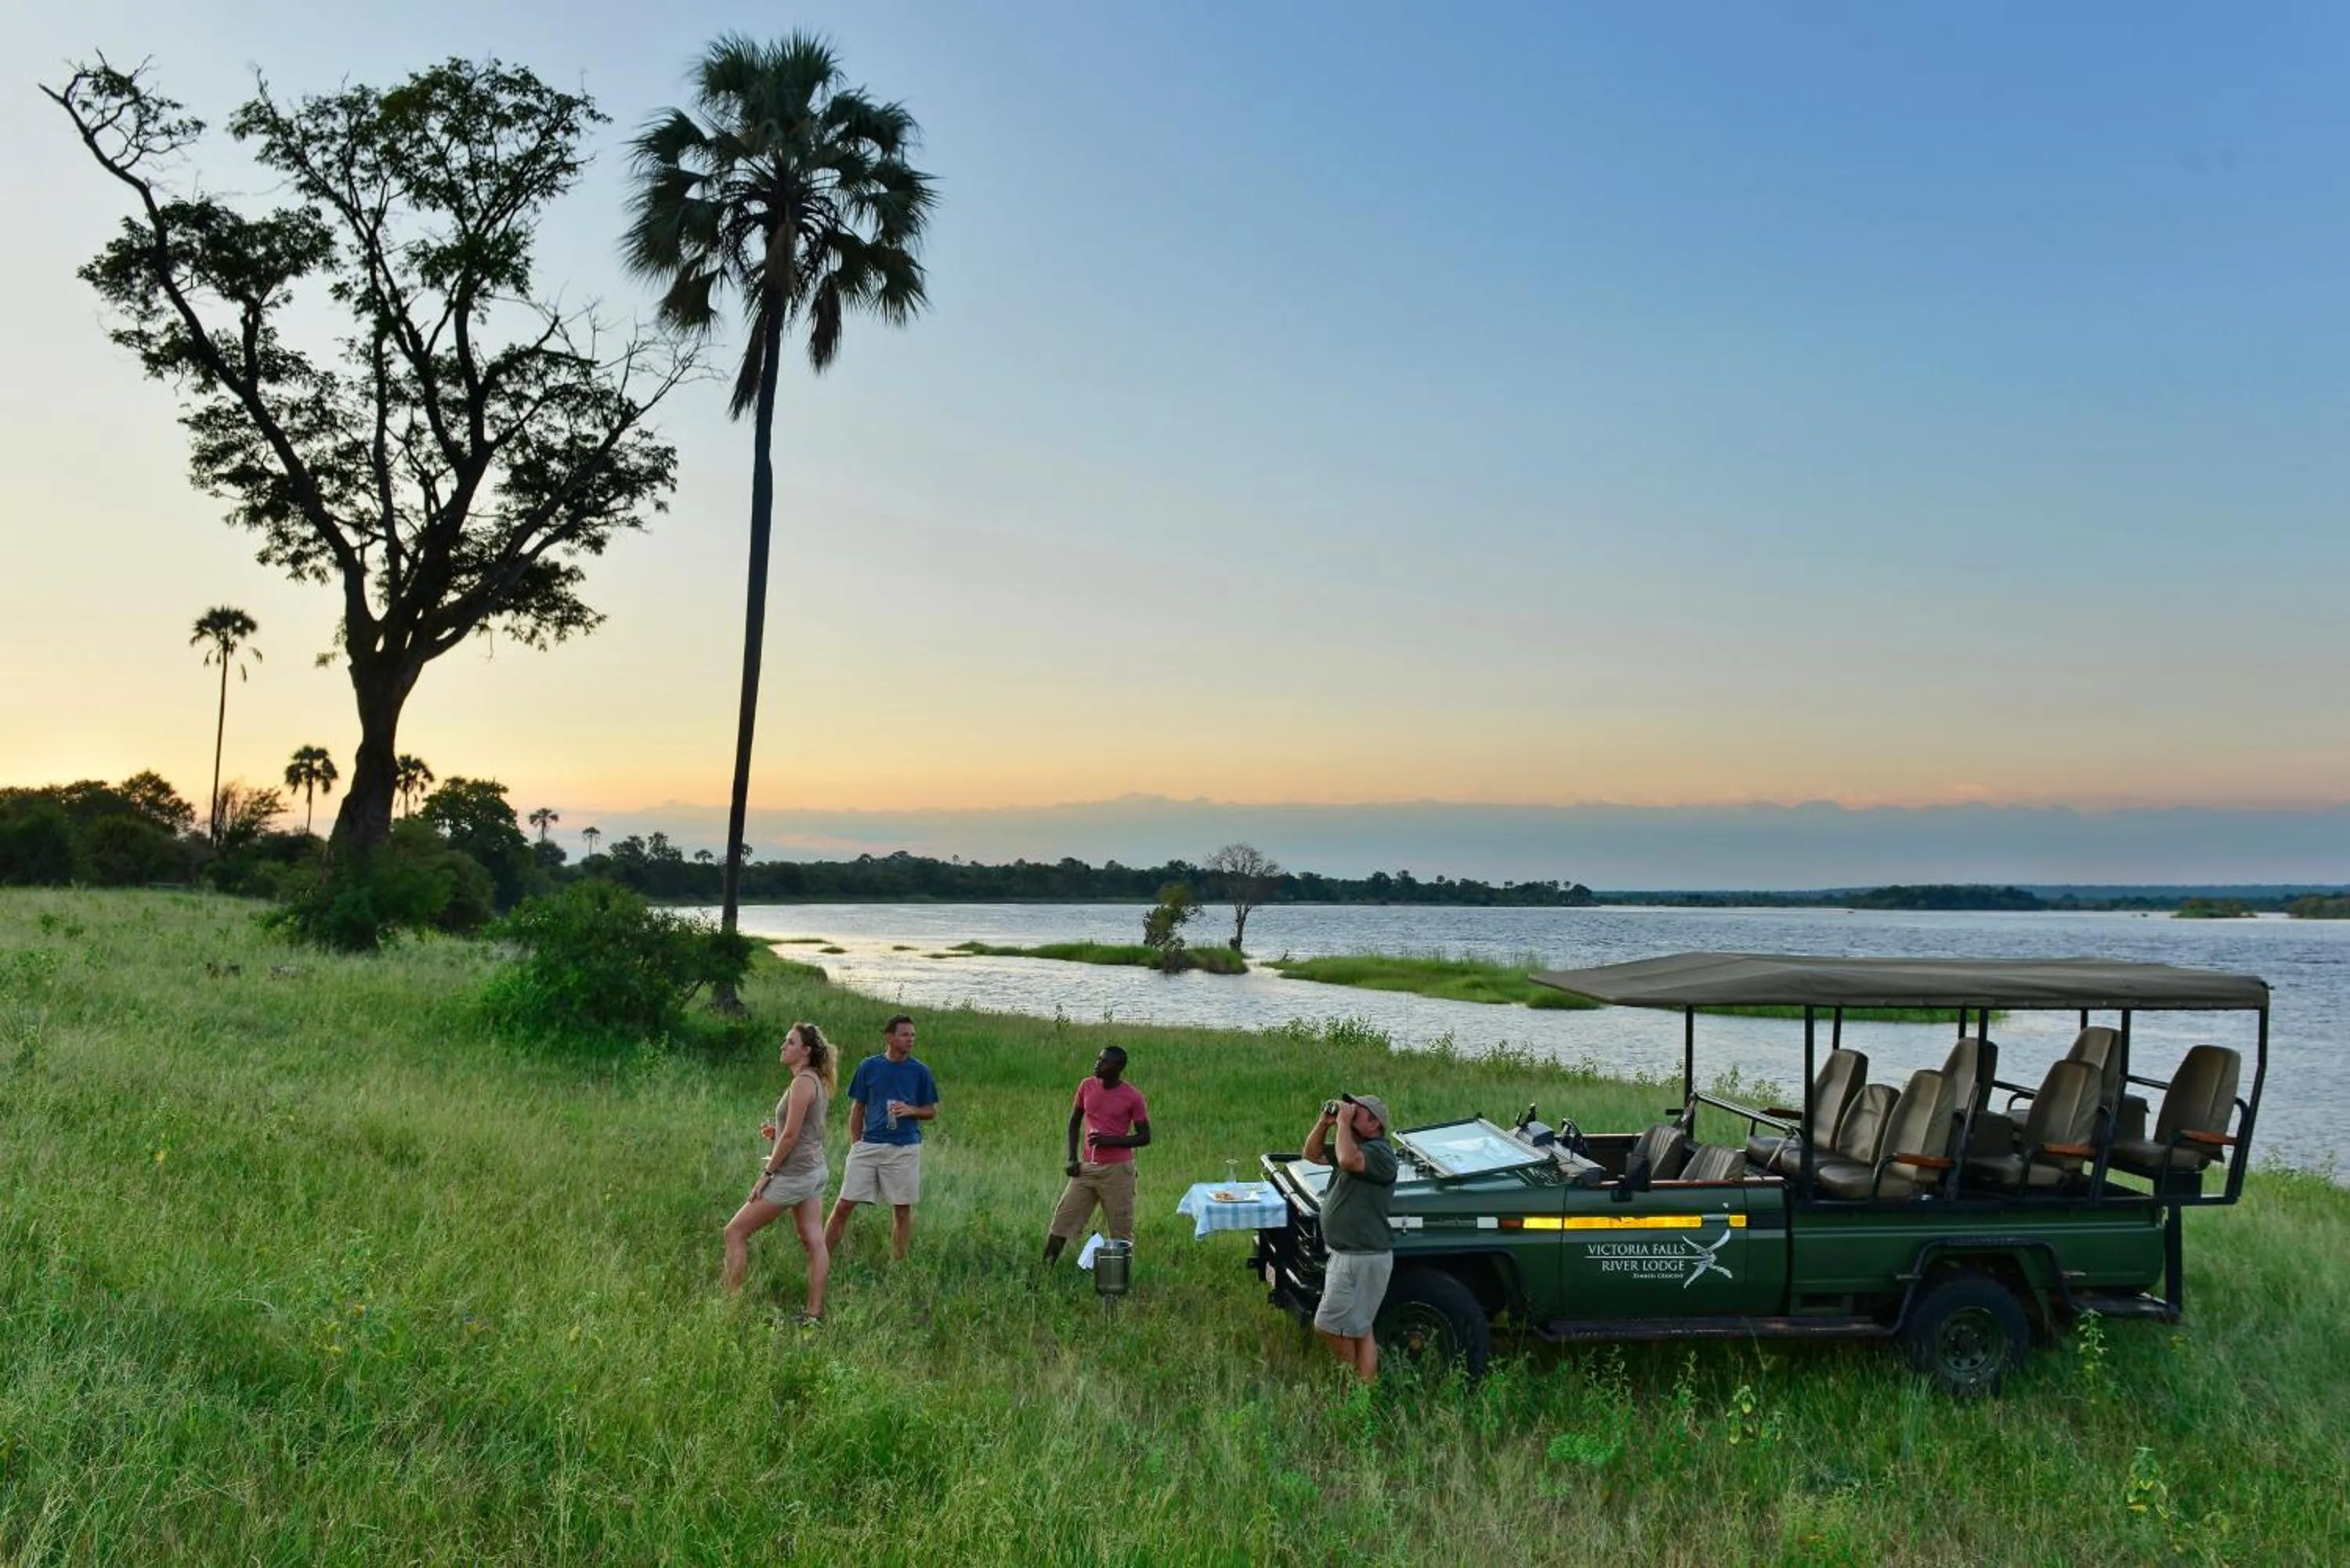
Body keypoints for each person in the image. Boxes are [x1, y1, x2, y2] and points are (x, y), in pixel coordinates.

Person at [721, 1022, 836, 1324]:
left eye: (790, 1042)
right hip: (814, 1170)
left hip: (795, 1175)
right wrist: (777, 1131)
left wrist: (767, 1174)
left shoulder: (802, 1083)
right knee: (814, 1240)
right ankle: (813, 1313)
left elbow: (791, 1137)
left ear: (806, 1051)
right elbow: (801, 1131)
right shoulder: (815, 1081)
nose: (783, 1047)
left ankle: (732, 1305)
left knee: (734, 1231)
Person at [823, 1015, 938, 1259]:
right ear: (889, 1037)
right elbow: (858, 1109)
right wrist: (856, 1145)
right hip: (869, 1145)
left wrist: (911, 1110)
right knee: (844, 1205)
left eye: (913, 1035)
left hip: (905, 1147)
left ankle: (899, 1264)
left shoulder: (920, 1072)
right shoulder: (869, 1066)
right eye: (905, 1034)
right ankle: (820, 1257)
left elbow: (931, 1111)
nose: (910, 1039)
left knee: (902, 1210)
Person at [1301, 1091, 1397, 1381]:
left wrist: (1343, 1124)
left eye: (1361, 1112)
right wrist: (1325, 1123)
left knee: (1327, 1325)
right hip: (1352, 1255)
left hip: (1361, 1258)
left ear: (1375, 1125)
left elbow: (1347, 1161)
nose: (1353, 1112)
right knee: (1361, 1327)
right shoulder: (1354, 1145)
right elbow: (1311, 1154)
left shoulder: (1380, 1153)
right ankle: (1364, 1391)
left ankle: (1351, 1382)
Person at [1042, 1046, 1152, 1265]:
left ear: (1118, 1068)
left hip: (1118, 1171)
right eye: (1098, 1059)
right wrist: (1072, 1158)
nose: (1097, 1064)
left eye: (1104, 1062)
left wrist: (1111, 1141)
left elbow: (1145, 1137)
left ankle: (1119, 1281)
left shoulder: (1132, 1097)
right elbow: (1074, 1122)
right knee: (1062, 1220)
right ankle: (1045, 1271)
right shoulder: (1087, 1086)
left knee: (1121, 1231)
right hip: (1086, 1168)